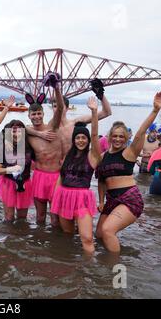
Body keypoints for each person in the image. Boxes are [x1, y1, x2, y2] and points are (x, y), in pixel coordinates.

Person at [96, 92, 161, 253]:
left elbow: (141, 131)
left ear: (125, 138)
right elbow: (101, 181)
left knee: (107, 231)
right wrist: (101, 201)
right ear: (109, 137)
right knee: (98, 235)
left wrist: (155, 110)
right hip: (111, 199)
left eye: (121, 136)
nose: (117, 139)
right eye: (115, 136)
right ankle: (111, 258)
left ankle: (115, 268)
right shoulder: (103, 156)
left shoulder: (129, 152)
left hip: (129, 198)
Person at [51, 97, 102, 254]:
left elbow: (94, 135)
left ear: (87, 140)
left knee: (86, 237)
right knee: (68, 235)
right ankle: (70, 262)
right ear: (74, 140)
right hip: (64, 196)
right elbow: (61, 176)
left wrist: (94, 112)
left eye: (83, 138)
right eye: (78, 138)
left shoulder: (93, 156)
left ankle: (89, 267)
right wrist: (55, 198)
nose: (81, 140)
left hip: (82, 198)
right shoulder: (69, 156)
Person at [25, 72, 65, 226]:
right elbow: (15, 129)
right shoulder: (30, 134)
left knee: (55, 218)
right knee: (40, 217)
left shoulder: (52, 127)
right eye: (33, 114)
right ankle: (39, 247)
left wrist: (56, 88)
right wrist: (38, 133)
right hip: (39, 176)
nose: (36, 116)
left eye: (39, 113)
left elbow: (60, 108)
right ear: (29, 116)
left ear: (43, 113)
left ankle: (55, 248)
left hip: (55, 176)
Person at [0, 120, 34, 222]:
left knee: (22, 218)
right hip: (8, 183)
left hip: (25, 183)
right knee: (9, 218)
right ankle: (10, 236)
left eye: (19, 131)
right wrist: (10, 169)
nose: (17, 134)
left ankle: (21, 236)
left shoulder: (29, 146)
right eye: (13, 131)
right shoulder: (2, 147)